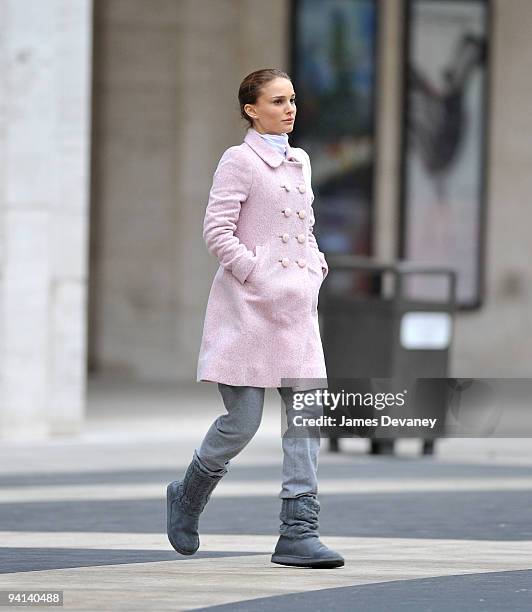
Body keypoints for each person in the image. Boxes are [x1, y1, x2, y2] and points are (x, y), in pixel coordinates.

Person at [166, 68, 344, 569]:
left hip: (297, 308)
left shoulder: (301, 160)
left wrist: (315, 266)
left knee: (305, 419)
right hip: (249, 308)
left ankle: (298, 532)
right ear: (252, 109)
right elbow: (217, 229)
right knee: (242, 423)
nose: (289, 109)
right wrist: (256, 272)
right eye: (277, 101)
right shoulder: (239, 160)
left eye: (292, 100)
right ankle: (188, 494)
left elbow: (302, 226)